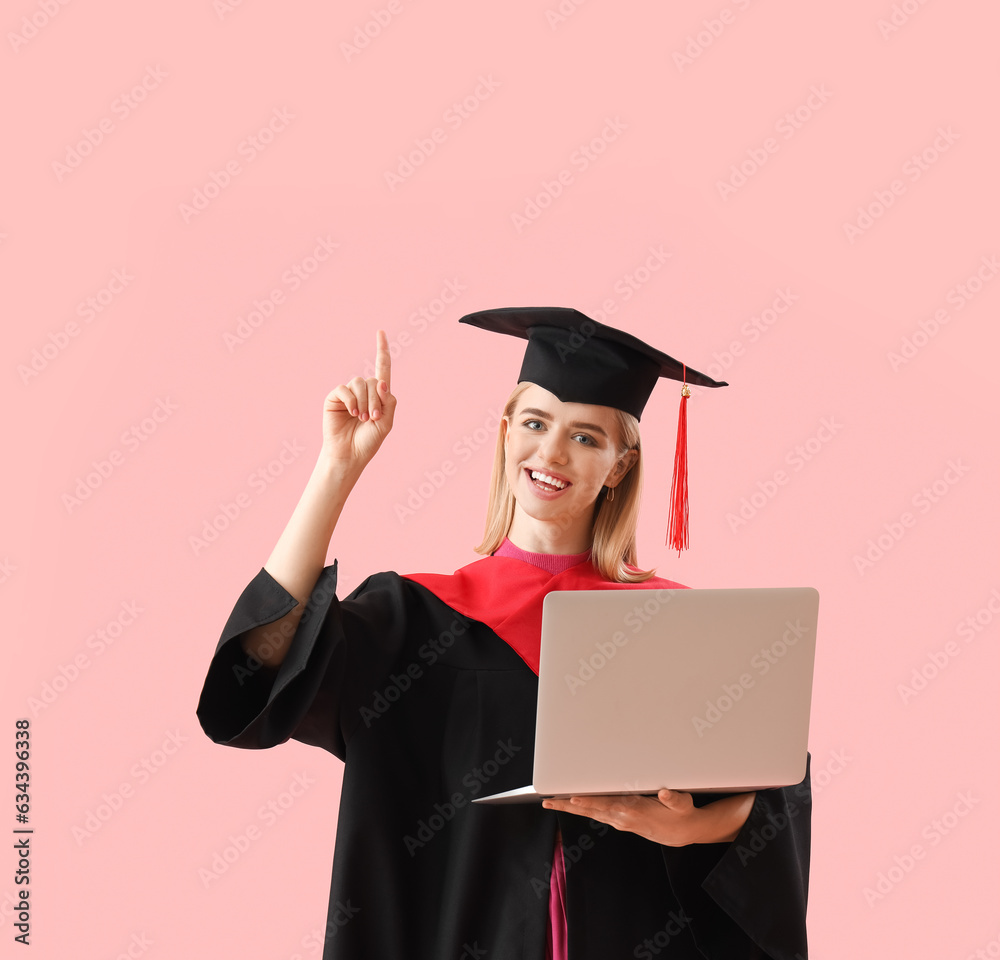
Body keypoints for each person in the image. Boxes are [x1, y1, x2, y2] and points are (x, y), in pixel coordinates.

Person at [197, 308, 811, 960]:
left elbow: (774, 797)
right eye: (535, 422)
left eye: (585, 437)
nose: (550, 452)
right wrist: (336, 469)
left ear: (619, 466)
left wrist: (690, 829)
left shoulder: (676, 630)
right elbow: (254, 683)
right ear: (505, 433)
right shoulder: (412, 620)